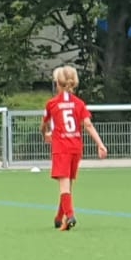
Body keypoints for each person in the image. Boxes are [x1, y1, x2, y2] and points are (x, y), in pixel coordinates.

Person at [41, 65, 108, 231]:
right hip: (76, 147)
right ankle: (59, 218)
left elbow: (44, 124)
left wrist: (45, 134)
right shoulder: (79, 103)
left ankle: (70, 215)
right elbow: (88, 125)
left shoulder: (52, 104)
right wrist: (100, 144)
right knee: (68, 183)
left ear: (57, 83)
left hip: (61, 147)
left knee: (64, 186)